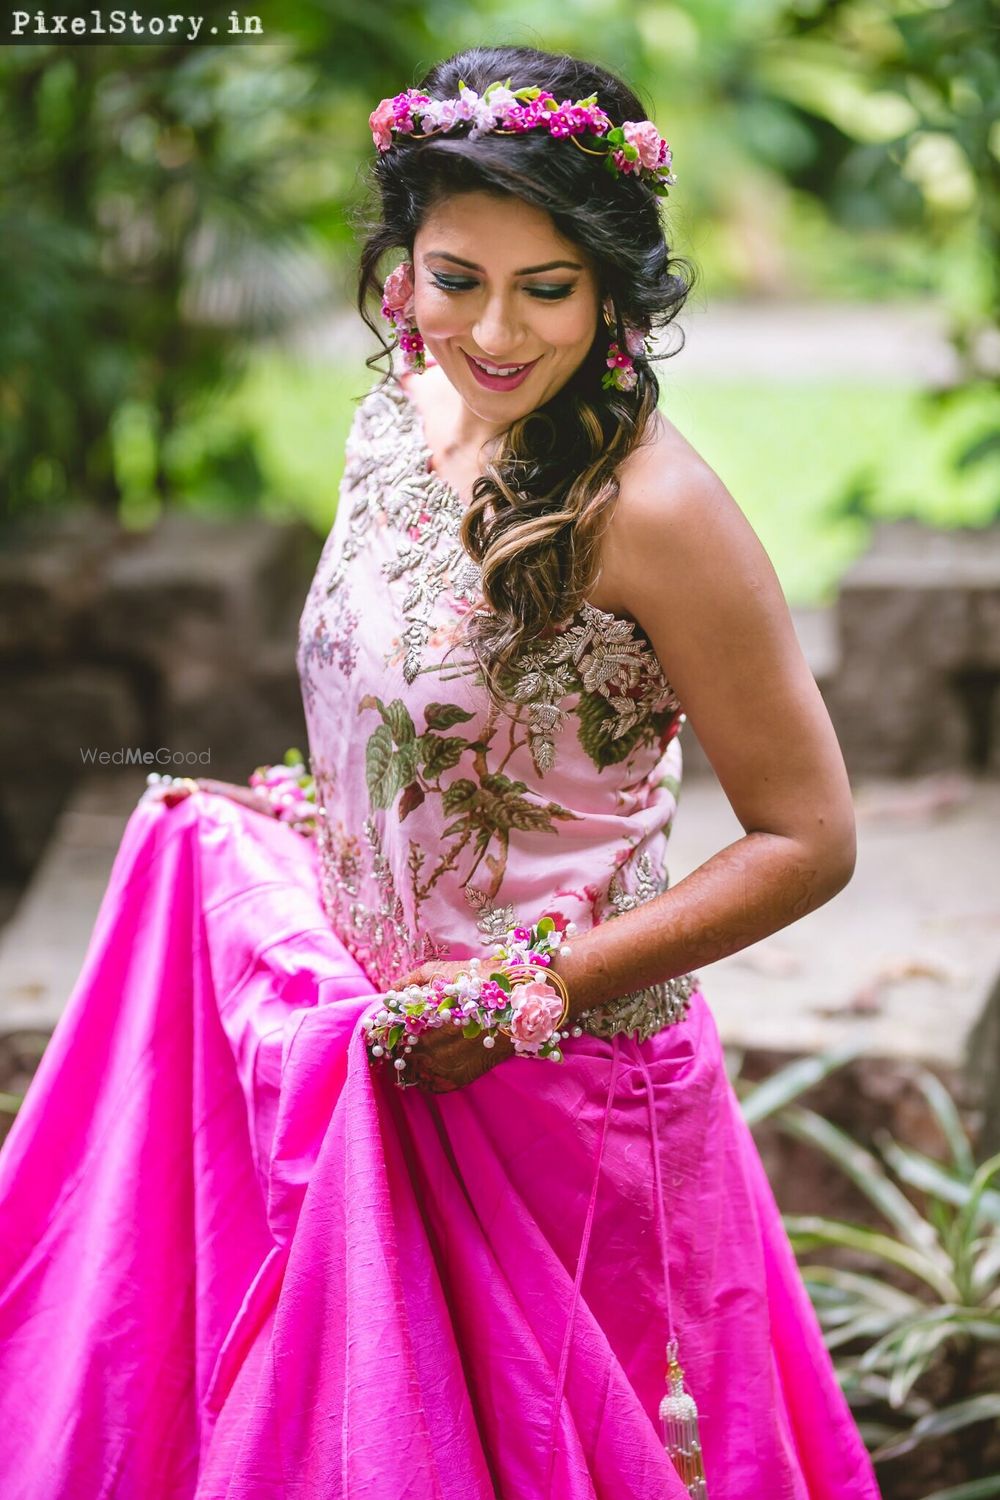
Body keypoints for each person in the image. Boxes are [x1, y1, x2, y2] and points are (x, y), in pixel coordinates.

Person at [0, 42, 881, 1500]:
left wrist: (528, 994)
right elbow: (411, 712)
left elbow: (812, 834)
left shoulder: (658, 513)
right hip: (382, 1064)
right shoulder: (395, 415)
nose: (495, 329)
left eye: (549, 286)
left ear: (613, 290)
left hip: (563, 1110)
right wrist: (309, 818)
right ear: (398, 272)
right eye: (455, 274)